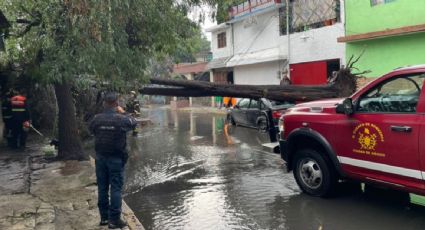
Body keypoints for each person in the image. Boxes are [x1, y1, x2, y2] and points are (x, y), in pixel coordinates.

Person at [89, 92, 136, 229]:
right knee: (115, 188)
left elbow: (91, 130)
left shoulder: (96, 119)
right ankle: (114, 220)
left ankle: (104, 218)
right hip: (116, 158)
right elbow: (133, 122)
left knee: (102, 188)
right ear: (116, 104)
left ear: (104, 103)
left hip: (100, 158)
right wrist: (124, 112)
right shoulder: (122, 119)